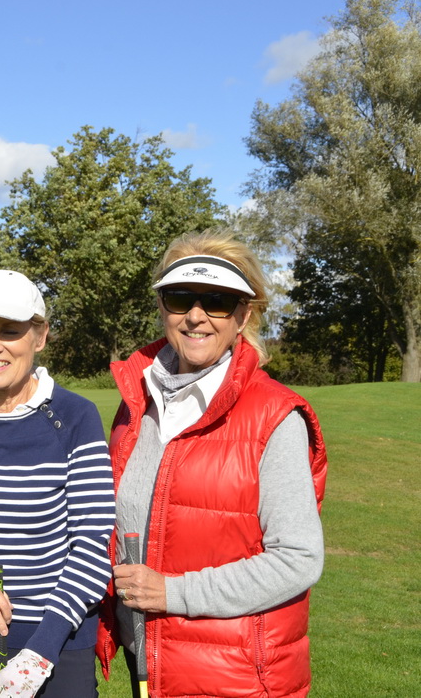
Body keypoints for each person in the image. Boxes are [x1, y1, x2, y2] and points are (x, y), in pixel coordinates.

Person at [95, 230, 328, 698]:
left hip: (237, 677)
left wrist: (173, 593)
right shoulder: (137, 404)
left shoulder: (275, 416)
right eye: (181, 298)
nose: (196, 316)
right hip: (148, 665)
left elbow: (298, 559)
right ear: (162, 307)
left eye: (218, 301)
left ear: (243, 316)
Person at [0, 270, 114, 698]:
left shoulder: (75, 417)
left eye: (10, 331)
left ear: (40, 336)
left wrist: (41, 651)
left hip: (58, 636)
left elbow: (91, 542)